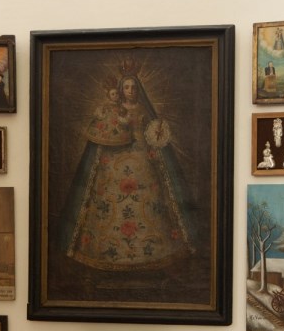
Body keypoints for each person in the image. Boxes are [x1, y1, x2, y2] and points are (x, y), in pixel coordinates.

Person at [61, 65, 194, 272]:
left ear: (138, 90)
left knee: (150, 199)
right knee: (107, 198)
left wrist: (158, 133)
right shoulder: (113, 108)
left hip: (142, 158)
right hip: (114, 158)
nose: (130, 91)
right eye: (127, 87)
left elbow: (153, 134)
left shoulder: (143, 110)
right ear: (121, 90)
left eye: (133, 87)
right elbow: (104, 129)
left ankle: (151, 254)